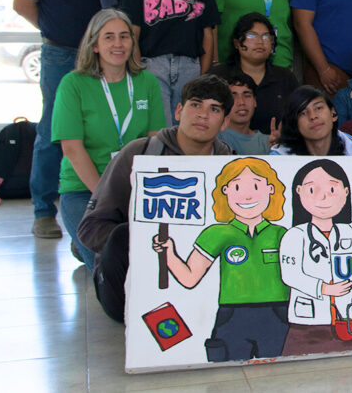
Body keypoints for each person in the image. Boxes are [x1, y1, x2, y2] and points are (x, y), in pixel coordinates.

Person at [14, 0, 133, 239]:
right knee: (55, 130)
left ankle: (104, 197)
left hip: (108, 57)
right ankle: (43, 210)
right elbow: (23, 4)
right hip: (62, 54)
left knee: (108, 127)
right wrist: (56, 30)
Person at [77, 75, 235, 322]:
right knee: (120, 235)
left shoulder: (233, 167)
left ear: (225, 122)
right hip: (133, 281)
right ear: (179, 110)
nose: (203, 114)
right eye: (195, 104)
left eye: (213, 109)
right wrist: (145, 242)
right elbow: (90, 228)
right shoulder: (138, 153)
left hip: (197, 281)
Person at [52, 8, 165, 268]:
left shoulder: (147, 82)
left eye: (124, 37)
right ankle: (80, 239)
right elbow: (71, 148)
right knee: (110, 268)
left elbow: (155, 141)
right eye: (109, 37)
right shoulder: (73, 84)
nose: (118, 44)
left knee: (150, 262)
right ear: (94, 45)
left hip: (134, 188)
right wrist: (105, 197)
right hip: (85, 190)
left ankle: (81, 242)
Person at [152, 157, 290, 362]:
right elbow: (189, 278)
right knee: (227, 374)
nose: (246, 195)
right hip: (233, 315)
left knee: (279, 374)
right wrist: (169, 254)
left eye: (255, 185)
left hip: (278, 313)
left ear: (271, 189)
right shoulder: (217, 233)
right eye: (236, 187)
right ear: (225, 191)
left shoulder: (282, 234)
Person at [279, 159, 352, 355]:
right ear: (299, 192)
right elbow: (290, 275)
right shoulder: (295, 236)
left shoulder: (349, 232)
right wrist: (324, 288)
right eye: (312, 190)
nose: (324, 198)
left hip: (347, 320)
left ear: (346, 192)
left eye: (332, 190)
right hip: (309, 321)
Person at [208, 13, 299, 135]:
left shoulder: (285, 77)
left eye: (266, 37)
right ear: (236, 43)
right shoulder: (217, 77)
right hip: (226, 149)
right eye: (252, 35)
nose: (260, 42)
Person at [271, 86, 352, 156]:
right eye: (303, 113)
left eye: (318, 108)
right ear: (295, 124)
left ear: (333, 114)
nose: (313, 116)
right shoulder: (280, 160)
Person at [217, 72, 271, 155]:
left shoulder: (268, 142)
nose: (241, 102)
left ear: (255, 101)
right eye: (233, 96)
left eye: (247, 96)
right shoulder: (213, 136)